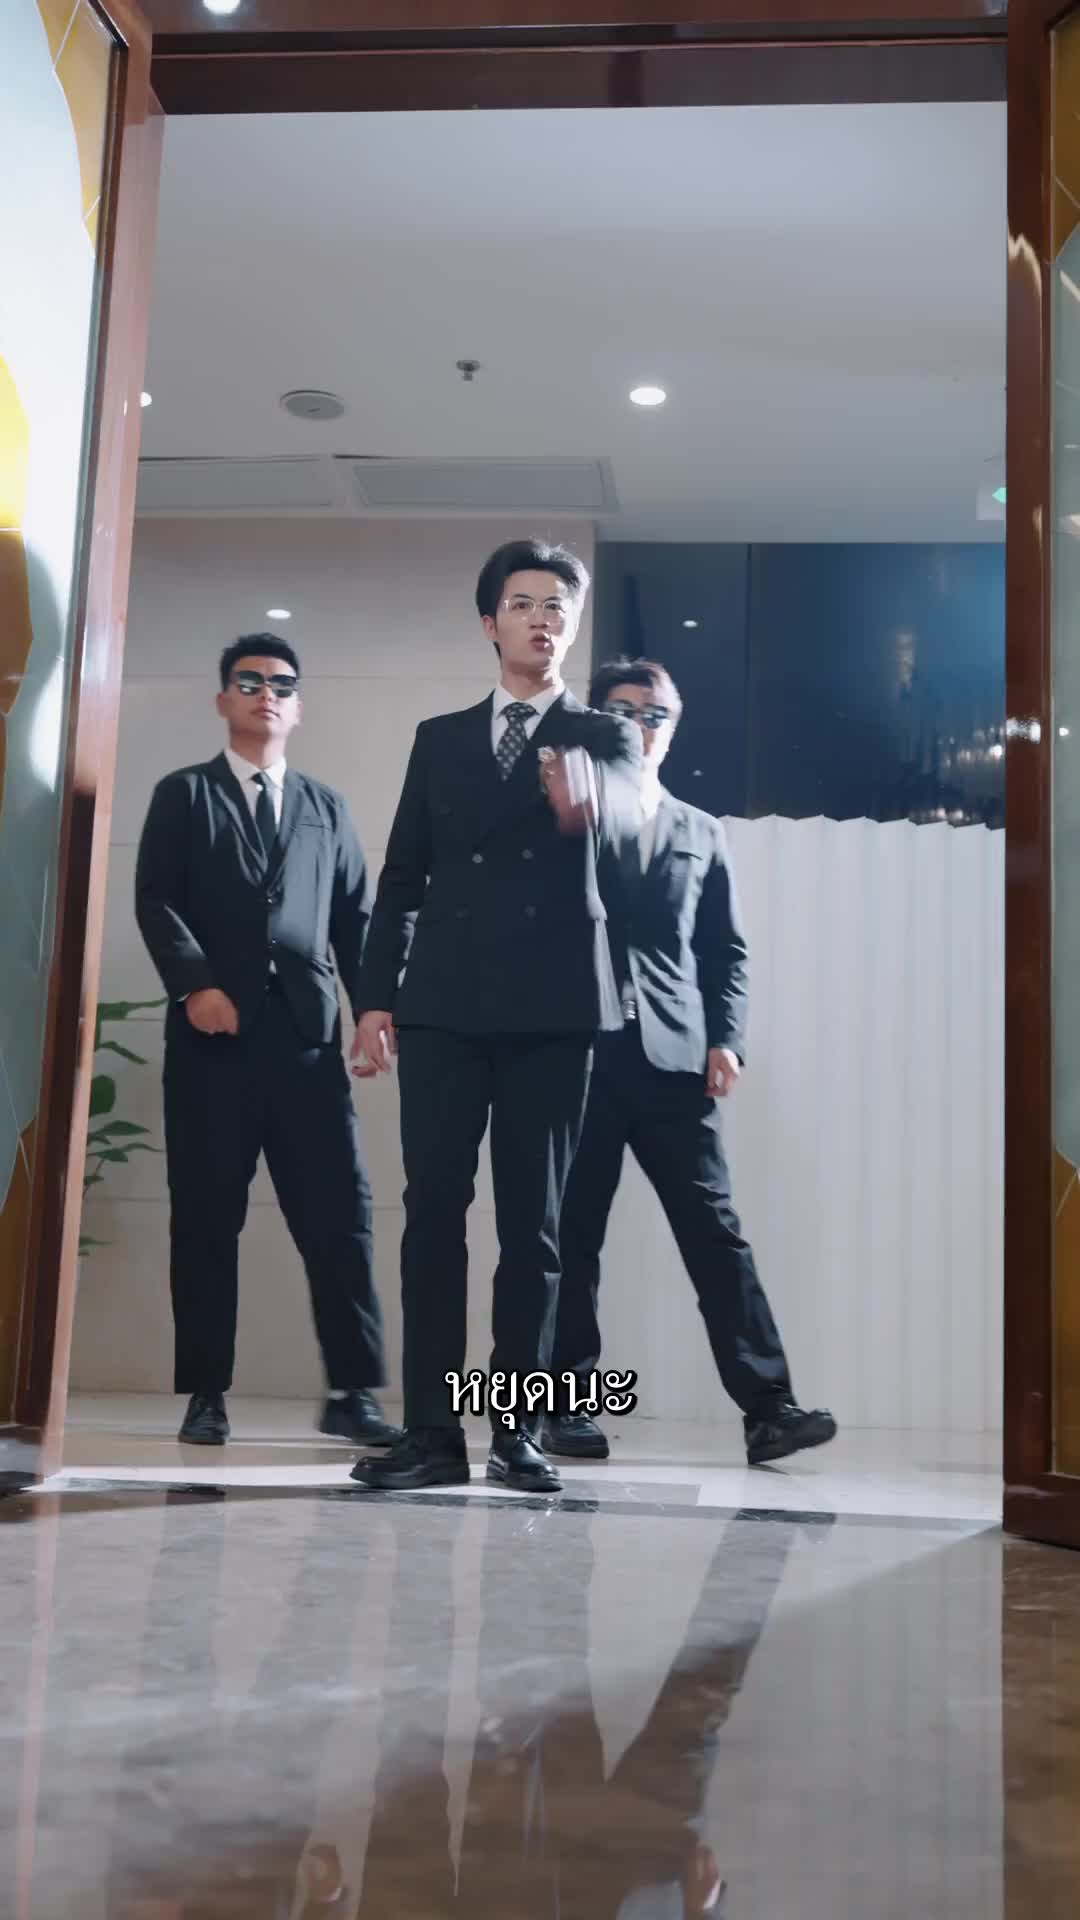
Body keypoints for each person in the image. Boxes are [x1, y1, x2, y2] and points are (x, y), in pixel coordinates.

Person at [349, 539, 642, 1496]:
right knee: (433, 1216)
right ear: (490, 623)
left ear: (572, 625)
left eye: (557, 605)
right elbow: (402, 876)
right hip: (441, 1005)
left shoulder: (605, 734)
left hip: (553, 1010)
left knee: (535, 1230)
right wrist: (376, 997)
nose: (542, 618)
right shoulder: (438, 738)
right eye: (523, 603)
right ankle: (432, 1434)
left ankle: (518, 1433)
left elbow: (635, 832)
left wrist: (592, 807)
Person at [545, 658, 836, 1468]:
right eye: (622, 710)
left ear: (672, 730)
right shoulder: (563, 817)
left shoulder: (701, 830)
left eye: (655, 714)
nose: (639, 725)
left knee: (716, 1234)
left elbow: (725, 951)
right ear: (598, 721)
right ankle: (561, 1407)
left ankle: (770, 1411)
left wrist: (727, 1039)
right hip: (578, 1054)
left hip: (673, 1062)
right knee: (570, 1234)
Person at [134, 635, 398, 1450]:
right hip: (213, 1042)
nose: (266, 694)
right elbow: (155, 898)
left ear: (298, 705)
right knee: (206, 1218)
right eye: (248, 682)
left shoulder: (326, 806)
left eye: (281, 684)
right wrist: (195, 984)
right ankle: (206, 1393)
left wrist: (371, 1009)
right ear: (224, 700)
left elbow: (355, 916)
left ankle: (353, 1392)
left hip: (309, 1046)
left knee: (341, 1216)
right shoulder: (184, 794)